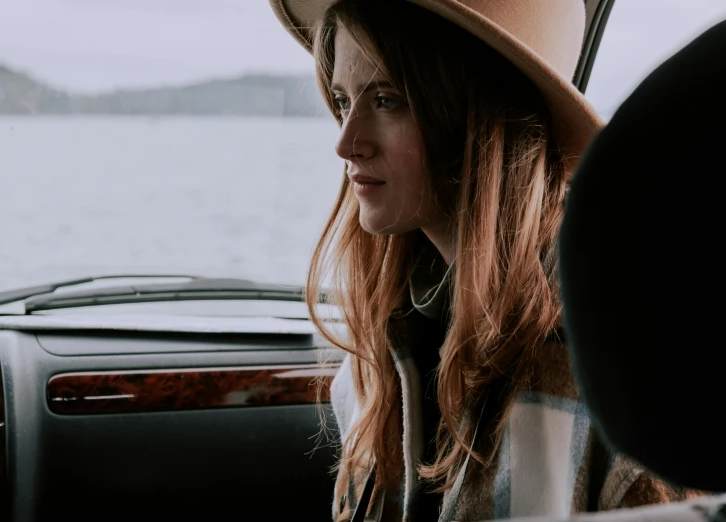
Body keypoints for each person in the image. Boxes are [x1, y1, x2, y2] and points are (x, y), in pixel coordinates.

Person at [268, 0, 701, 521]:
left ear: (476, 111)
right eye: (343, 100)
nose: (347, 141)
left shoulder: (610, 358)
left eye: (387, 99)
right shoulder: (383, 341)